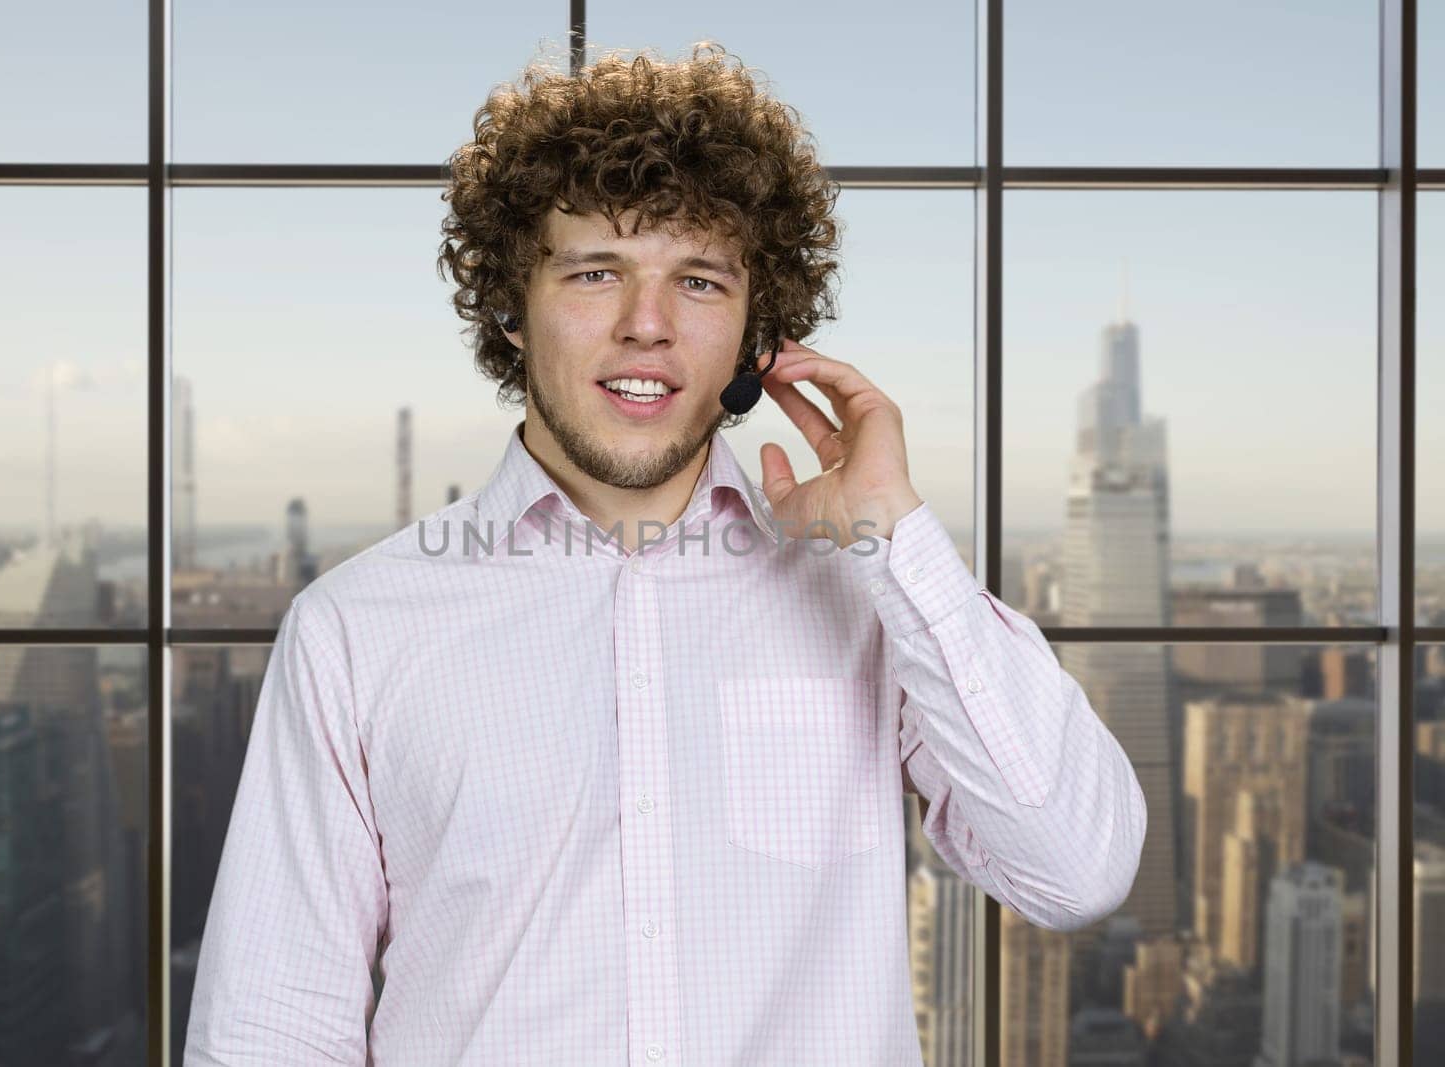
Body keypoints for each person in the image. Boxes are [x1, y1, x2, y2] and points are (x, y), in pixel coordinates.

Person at [183, 41, 1146, 1066]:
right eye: (596, 270)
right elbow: (271, 1027)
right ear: (513, 305)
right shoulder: (354, 629)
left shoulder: (867, 590)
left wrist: (894, 536)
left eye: (698, 280)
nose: (647, 326)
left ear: (752, 331)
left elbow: (1074, 868)